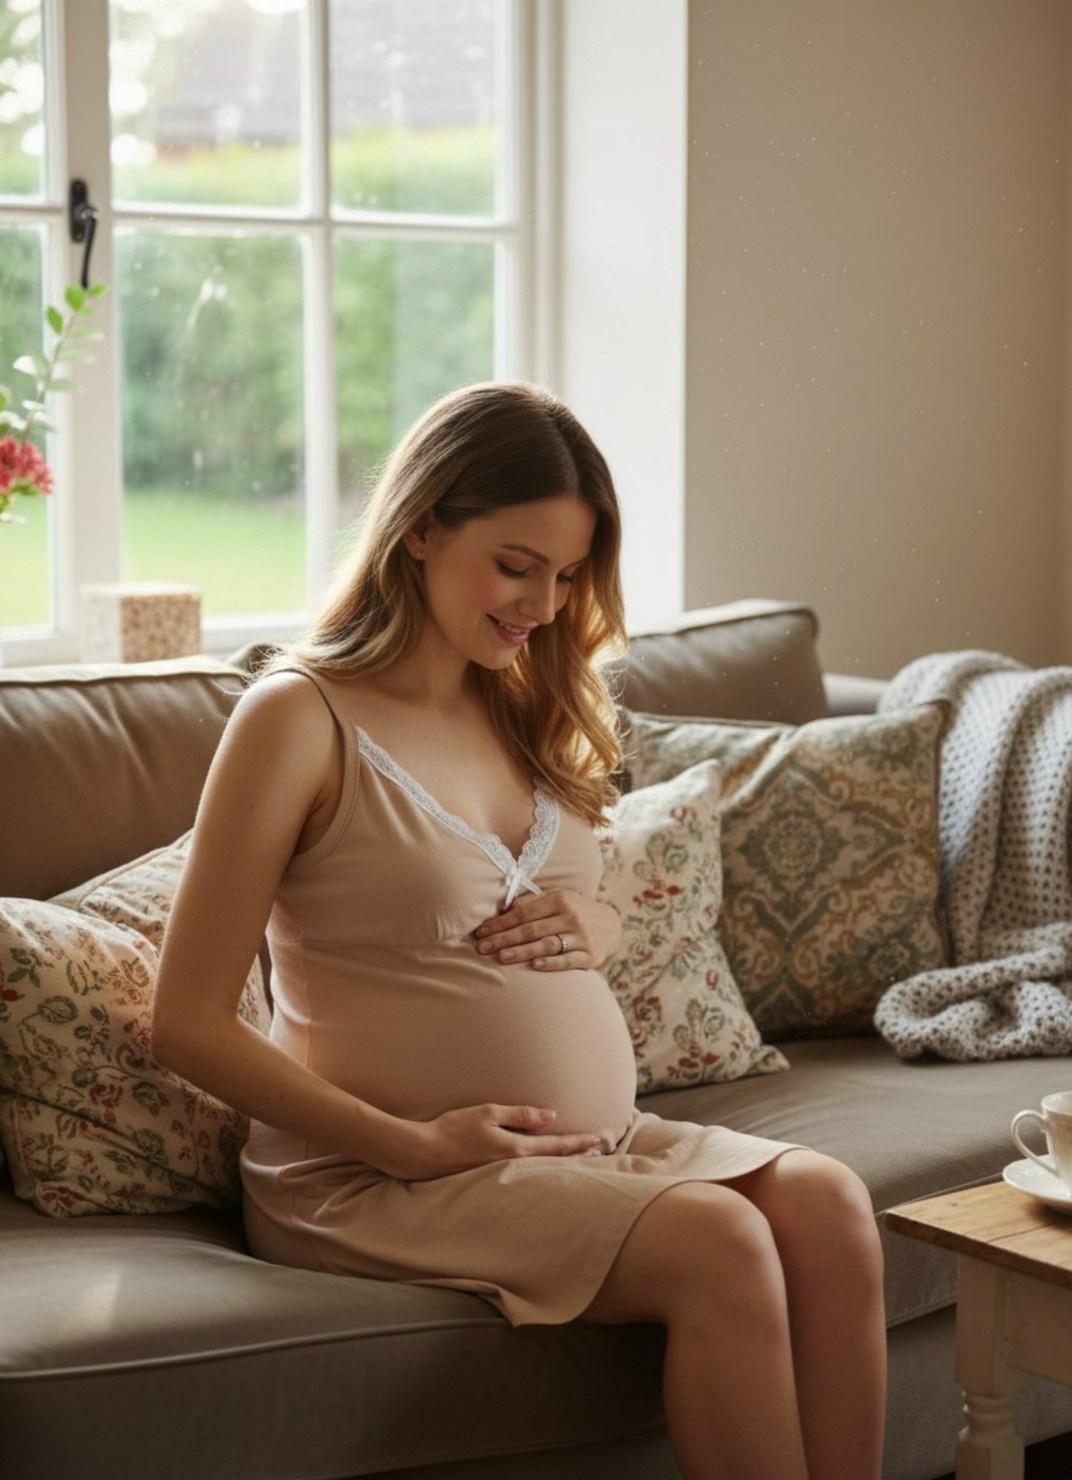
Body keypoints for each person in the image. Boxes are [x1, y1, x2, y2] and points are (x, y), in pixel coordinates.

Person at [153, 381, 886, 1480]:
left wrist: (597, 917)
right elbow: (187, 1020)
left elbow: (574, 902)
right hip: (378, 1174)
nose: (545, 604)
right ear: (420, 529)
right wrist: (411, 1144)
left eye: (569, 574)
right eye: (515, 566)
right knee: (723, 1242)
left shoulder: (527, 700)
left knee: (831, 1206)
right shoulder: (298, 717)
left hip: (578, 1149)